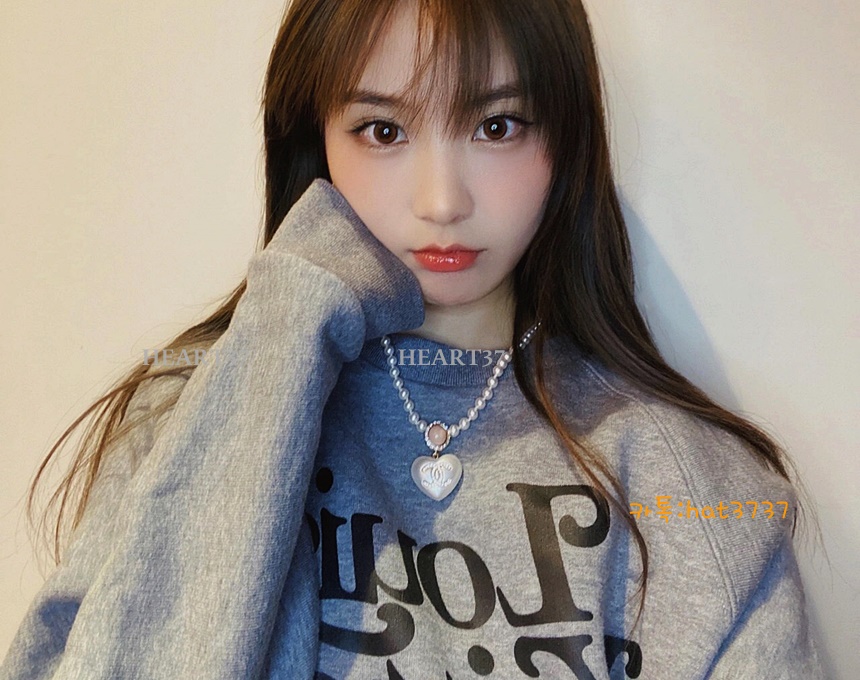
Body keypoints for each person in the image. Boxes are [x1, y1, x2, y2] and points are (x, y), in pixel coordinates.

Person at [2, 0, 826, 678]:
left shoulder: (694, 488)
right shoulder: (189, 421)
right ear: (314, 139)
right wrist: (288, 321)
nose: (441, 201)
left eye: (497, 126)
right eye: (383, 131)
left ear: (566, 136)